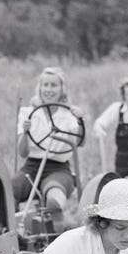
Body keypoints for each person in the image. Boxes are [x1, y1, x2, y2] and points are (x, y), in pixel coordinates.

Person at [13, 67, 85, 218]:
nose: (49, 90)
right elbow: (23, 153)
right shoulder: (28, 113)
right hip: (31, 167)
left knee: (54, 196)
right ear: (40, 88)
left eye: (54, 85)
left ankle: (55, 225)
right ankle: (10, 227)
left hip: (58, 169)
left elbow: (80, 142)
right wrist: (25, 133)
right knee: (7, 191)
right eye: (45, 85)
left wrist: (80, 121)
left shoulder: (69, 115)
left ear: (62, 89)